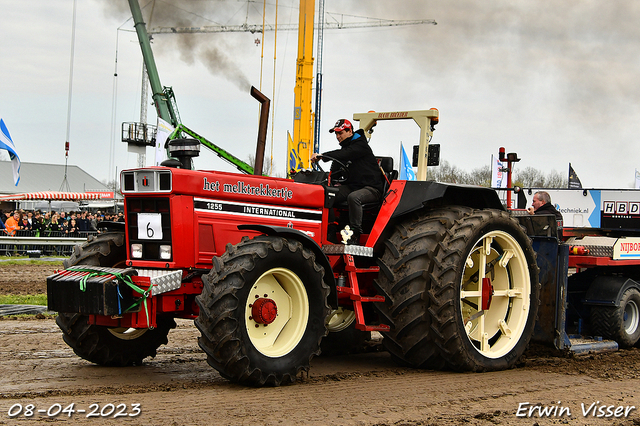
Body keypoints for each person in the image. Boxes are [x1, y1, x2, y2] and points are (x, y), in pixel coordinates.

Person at [311, 118, 385, 245]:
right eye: (336, 134)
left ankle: (355, 233)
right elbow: (337, 167)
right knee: (327, 193)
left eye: (340, 133)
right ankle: (331, 229)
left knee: (353, 198)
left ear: (350, 131)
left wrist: (323, 156)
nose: (338, 137)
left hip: (371, 188)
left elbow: (345, 154)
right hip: (353, 186)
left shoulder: (360, 146)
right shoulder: (345, 150)